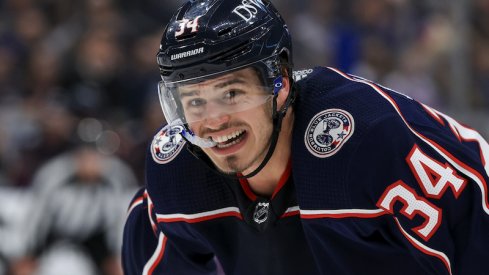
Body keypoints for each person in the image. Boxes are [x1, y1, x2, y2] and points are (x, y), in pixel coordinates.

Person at [122, 0, 489, 274]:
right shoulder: (177, 171)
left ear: (279, 81)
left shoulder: (367, 140)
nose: (213, 121)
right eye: (195, 101)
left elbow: (473, 216)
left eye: (231, 93)